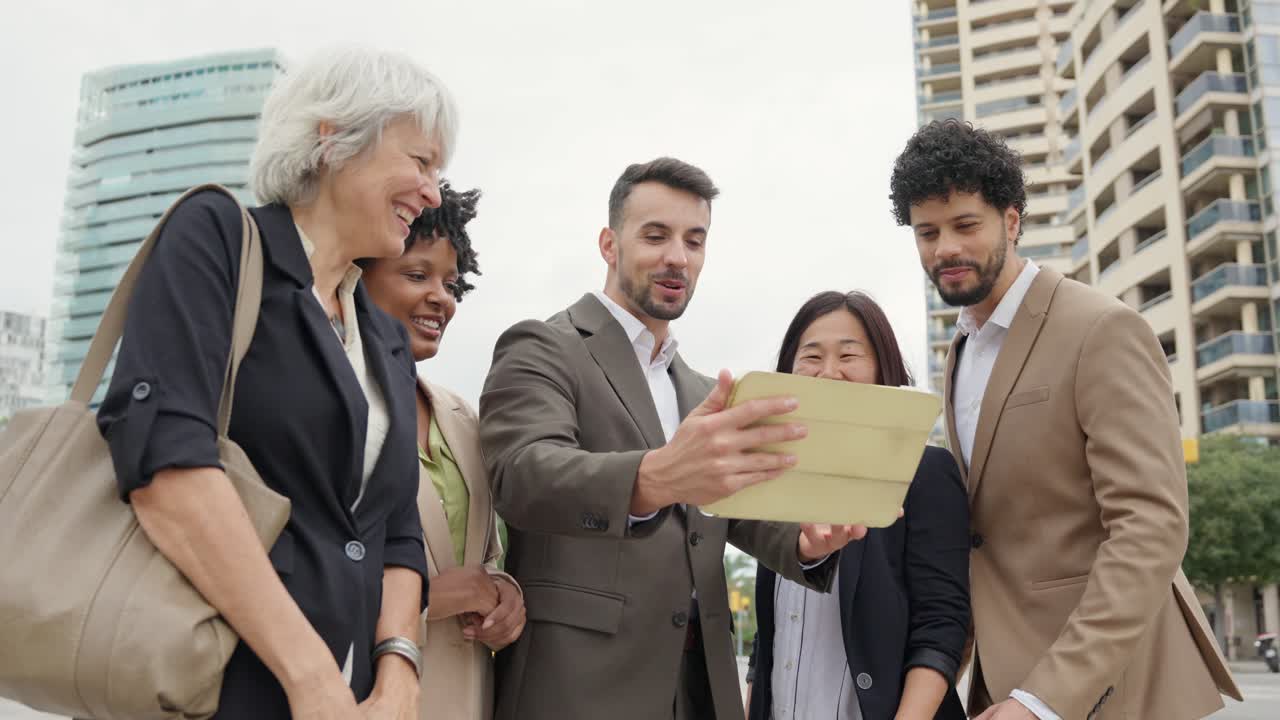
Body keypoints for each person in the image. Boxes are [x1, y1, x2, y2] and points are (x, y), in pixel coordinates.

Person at [96, 47, 457, 719]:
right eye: (421, 161)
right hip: (206, 687)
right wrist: (310, 677)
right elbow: (167, 465)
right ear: (333, 138)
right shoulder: (218, 241)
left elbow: (397, 526)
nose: (434, 192)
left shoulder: (381, 334)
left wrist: (399, 672)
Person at [479, 157, 863, 720]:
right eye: (655, 236)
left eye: (694, 240)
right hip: (577, 684)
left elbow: (740, 508)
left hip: (702, 685)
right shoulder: (543, 346)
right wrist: (653, 477)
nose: (677, 257)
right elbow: (521, 473)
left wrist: (806, 545)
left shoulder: (704, 389)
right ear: (609, 244)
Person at [890, 119, 1242, 719]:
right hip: (1005, 677)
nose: (944, 248)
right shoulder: (962, 351)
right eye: (927, 232)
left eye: (965, 224)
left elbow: (1150, 525)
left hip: (1114, 687)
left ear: (1011, 220)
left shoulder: (1101, 329)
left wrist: (1044, 698)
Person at [747, 290, 969, 720]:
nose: (829, 373)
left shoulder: (925, 471)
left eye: (849, 356)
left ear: (880, 368)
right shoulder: (776, 477)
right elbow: (770, 632)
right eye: (811, 356)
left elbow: (942, 622)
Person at [362, 181, 525, 720]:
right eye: (417, 275)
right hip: (367, 692)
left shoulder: (462, 417)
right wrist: (434, 596)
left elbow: (486, 560)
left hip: (467, 696)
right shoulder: (331, 409)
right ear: (357, 277)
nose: (442, 298)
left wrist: (505, 598)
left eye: (451, 283)